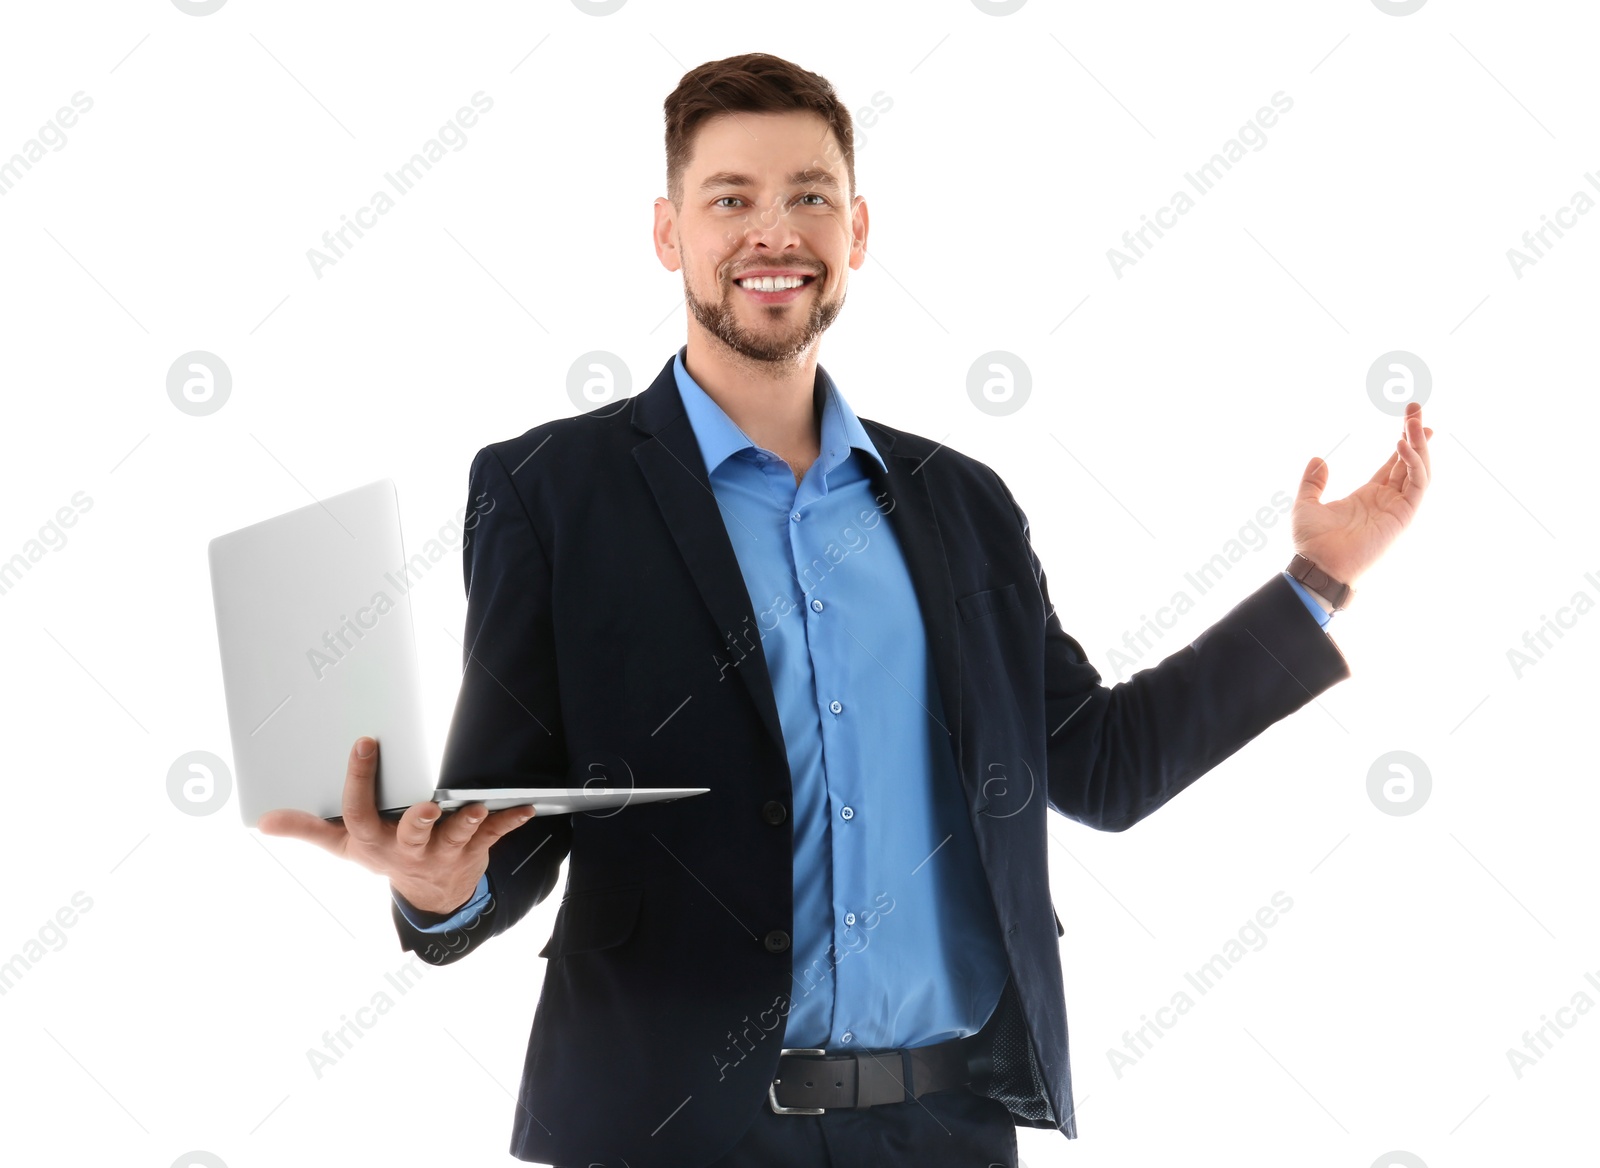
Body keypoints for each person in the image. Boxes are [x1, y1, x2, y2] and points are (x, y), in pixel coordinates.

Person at [259, 51, 1433, 1168]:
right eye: (730, 198)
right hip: (663, 1128)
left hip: (943, 1128)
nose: (774, 231)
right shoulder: (550, 493)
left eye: (809, 195)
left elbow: (1100, 764)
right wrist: (439, 890)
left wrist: (1317, 584)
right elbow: (509, 814)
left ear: (856, 231)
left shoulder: (961, 504)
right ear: (669, 234)